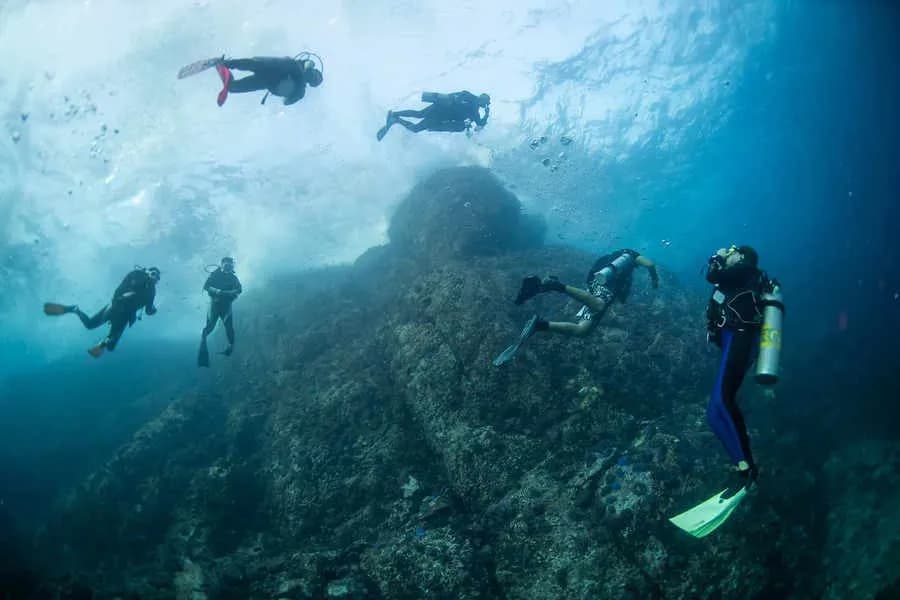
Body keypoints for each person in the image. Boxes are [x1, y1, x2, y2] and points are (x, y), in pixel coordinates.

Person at [493, 249, 658, 366]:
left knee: (583, 331)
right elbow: (650, 264)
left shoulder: (623, 271)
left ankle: (540, 325)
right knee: (599, 305)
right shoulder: (630, 254)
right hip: (601, 286)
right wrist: (654, 278)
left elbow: (621, 298)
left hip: (596, 285)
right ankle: (554, 285)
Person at [704, 244, 778, 496]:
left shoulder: (746, 269)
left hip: (740, 337)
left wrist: (718, 257)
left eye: (733, 250)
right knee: (713, 413)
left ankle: (747, 470)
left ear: (743, 257)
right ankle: (740, 465)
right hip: (730, 340)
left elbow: (712, 275)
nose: (728, 251)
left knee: (723, 402)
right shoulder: (740, 274)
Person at [43, 266, 160, 358]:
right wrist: (125, 297)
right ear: (148, 271)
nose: (155, 278)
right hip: (115, 307)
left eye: (157, 277)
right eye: (153, 274)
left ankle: (103, 343)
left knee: (111, 346)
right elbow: (120, 289)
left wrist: (152, 310)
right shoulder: (137, 275)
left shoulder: (152, 291)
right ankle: (75, 309)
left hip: (126, 315)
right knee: (90, 325)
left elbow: (148, 310)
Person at [376, 91, 490, 141]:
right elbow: (480, 125)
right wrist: (487, 114)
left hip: (438, 107)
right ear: (483, 103)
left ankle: (395, 114)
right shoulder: (475, 112)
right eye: (485, 104)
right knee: (415, 129)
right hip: (439, 116)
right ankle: (396, 120)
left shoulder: (468, 96)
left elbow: (455, 96)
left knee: (418, 114)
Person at [214, 55, 323, 106]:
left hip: (267, 67)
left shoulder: (297, 65)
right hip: (266, 82)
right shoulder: (300, 91)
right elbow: (287, 102)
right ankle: (223, 67)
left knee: (249, 64)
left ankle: (224, 64)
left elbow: (282, 61)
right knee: (233, 87)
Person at [197, 257, 242, 367]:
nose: (228, 267)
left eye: (230, 266)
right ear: (221, 265)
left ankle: (230, 347)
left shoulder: (233, 277)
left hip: (226, 305)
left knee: (229, 327)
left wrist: (232, 292)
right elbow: (206, 286)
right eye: (226, 265)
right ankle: (204, 345)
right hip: (215, 304)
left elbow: (239, 289)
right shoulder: (215, 275)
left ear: (232, 266)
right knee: (210, 327)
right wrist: (220, 292)